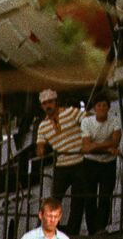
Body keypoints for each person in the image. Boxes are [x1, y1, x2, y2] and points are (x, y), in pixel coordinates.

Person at [36, 89, 87, 236]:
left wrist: (87, 140)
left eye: (50, 102)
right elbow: (40, 145)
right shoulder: (43, 126)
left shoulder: (71, 113)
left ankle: (72, 232)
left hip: (79, 162)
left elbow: (90, 120)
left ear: (56, 102)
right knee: (54, 200)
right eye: (45, 104)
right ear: (42, 106)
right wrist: (41, 150)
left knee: (78, 200)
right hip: (61, 166)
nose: (48, 106)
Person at [80, 95, 122, 235]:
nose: (102, 108)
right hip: (90, 163)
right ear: (94, 108)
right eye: (99, 105)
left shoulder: (115, 120)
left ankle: (101, 229)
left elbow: (115, 142)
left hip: (108, 163)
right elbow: (86, 146)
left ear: (108, 107)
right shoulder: (86, 121)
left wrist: (95, 145)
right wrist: (107, 148)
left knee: (105, 197)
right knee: (90, 197)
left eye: (104, 105)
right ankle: (92, 230)